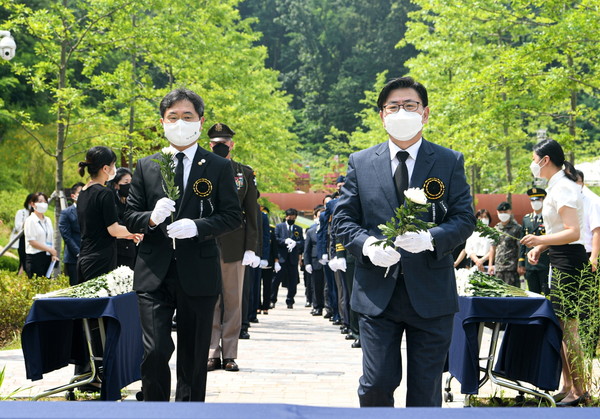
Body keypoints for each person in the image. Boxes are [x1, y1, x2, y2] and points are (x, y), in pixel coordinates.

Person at [332, 76, 475, 407]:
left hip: (431, 294)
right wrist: (368, 245)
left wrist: (431, 238)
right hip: (377, 293)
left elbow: (464, 218)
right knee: (376, 382)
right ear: (382, 115)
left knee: (425, 391)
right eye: (393, 106)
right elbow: (343, 219)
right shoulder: (361, 161)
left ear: (424, 114)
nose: (401, 112)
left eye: (409, 105)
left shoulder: (448, 161)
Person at [124, 88, 242, 402]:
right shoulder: (147, 165)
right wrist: (150, 218)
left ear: (200, 122)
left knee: (192, 357)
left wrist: (197, 227)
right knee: (155, 350)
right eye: (172, 117)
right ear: (162, 122)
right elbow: (129, 215)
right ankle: (155, 408)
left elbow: (232, 216)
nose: (180, 122)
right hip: (154, 273)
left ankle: (188, 412)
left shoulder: (217, 166)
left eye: (187, 116)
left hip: (199, 271)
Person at [520, 139, 590, 406]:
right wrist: (544, 246)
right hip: (559, 258)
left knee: (569, 328)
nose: (532, 164)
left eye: (533, 158)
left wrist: (540, 241)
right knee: (561, 326)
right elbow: (560, 230)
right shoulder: (556, 187)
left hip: (569, 261)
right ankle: (568, 384)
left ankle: (580, 390)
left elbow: (573, 232)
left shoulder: (564, 189)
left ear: (545, 160)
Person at [206, 122, 259, 373]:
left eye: (224, 143)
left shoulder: (243, 173)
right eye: (216, 143)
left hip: (234, 245)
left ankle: (229, 354)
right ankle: (211, 352)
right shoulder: (200, 169)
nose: (220, 146)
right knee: (210, 300)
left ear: (232, 144)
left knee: (232, 300)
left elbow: (252, 213)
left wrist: (251, 247)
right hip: (204, 242)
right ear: (209, 145)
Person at [77, 147, 141, 284]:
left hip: (85, 256)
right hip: (101, 258)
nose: (115, 169)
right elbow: (113, 229)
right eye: (113, 165)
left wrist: (127, 234)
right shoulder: (104, 193)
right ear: (105, 168)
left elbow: (98, 227)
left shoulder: (83, 192)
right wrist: (137, 231)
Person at [518, 188, 550, 294]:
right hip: (530, 263)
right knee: (533, 293)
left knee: (547, 292)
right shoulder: (526, 219)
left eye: (538, 200)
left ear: (544, 200)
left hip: (545, 261)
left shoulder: (549, 218)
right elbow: (522, 242)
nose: (535, 202)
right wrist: (521, 262)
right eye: (532, 200)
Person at [271, 208, 304, 309]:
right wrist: (285, 241)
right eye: (290, 217)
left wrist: (295, 243)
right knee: (275, 281)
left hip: (292, 259)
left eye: (294, 218)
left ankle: (290, 300)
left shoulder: (298, 229)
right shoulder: (279, 227)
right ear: (286, 217)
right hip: (281, 258)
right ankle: (272, 300)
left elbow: (302, 242)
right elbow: (275, 239)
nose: (291, 219)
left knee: (292, 281)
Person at [24, 192, 59, 278]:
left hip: (47, 257)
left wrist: (53, 254)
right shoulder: (30, 220)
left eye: (45, 201)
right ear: (33, 204)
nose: (43, 204)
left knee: (46, 287)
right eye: (40, 201)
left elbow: (50, 238)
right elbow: (32, 242)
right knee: (36, 287)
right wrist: (50, 250)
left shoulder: (48, 220)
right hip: (35, 257)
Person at [108, 167, 137, 269]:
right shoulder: (111, 201)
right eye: (126, 182)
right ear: (116, 185)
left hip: (131, 249)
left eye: (131, 182)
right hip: (117, 250)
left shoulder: (131, 201)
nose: (129, 185)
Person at [489, 202, 522, 286]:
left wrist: (520, 265)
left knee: (513, 295)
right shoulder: (496, 229)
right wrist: (490, 265)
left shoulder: (517, 228)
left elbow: (520, 248)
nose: (503, 214)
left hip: (511, 268)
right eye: (501, 212)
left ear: (510, 212)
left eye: (505, 212)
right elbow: (493, 248)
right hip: (498, 268)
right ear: (497, 212)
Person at [58, 183, 84, 285]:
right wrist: (78, 252)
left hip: (89, 256)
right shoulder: (66, 213)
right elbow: (66, 236)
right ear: (73, 196)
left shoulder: (91, 211)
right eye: (80, 193)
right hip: (74, 258)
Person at [304, 205, 325, 316]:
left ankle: (329, 308)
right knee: (316, 286)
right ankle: (317, 307)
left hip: (327, 262)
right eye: (318, 216)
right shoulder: (311, 231)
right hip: (315, 262)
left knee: (327, 287)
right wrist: (307, 263)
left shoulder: (328, 229)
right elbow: (307, 249)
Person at [10, 193, 35, 275]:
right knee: (23, 260)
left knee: (28, 262)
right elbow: (18, 226)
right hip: (22, 239)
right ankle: (20, 277)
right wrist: (28, 221)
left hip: (32, 240)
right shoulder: (21, 212)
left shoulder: (36, 214)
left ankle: (21, 276)